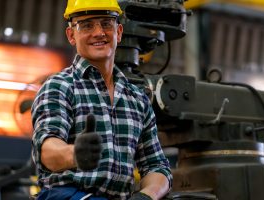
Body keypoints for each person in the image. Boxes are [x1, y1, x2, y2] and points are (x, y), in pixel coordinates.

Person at [31, 0, 172, 199]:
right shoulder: (60, 86)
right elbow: (47, 150)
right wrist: (76, 154)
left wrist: (147, 196)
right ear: (71, 35)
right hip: (67, 195)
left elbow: (157, 165)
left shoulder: (137, 99)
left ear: (119, 32)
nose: (99, 32)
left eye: (107, 24)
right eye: (87, 25)